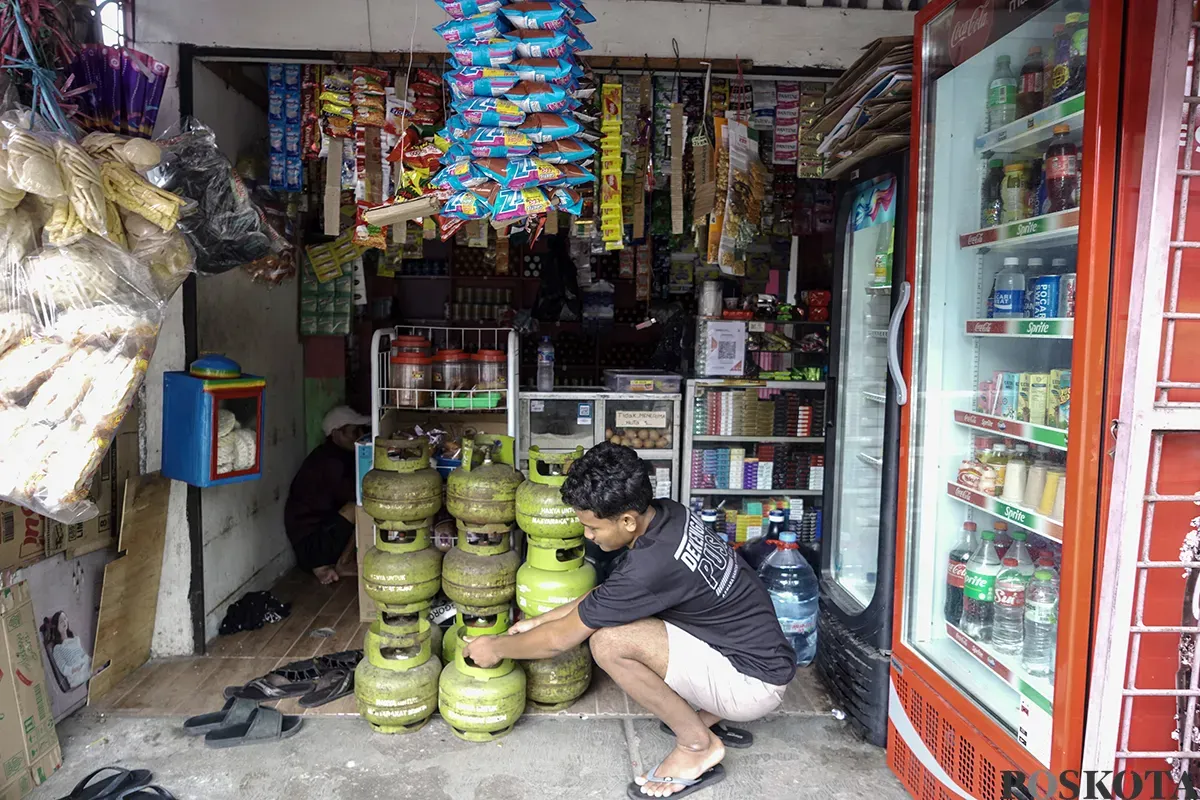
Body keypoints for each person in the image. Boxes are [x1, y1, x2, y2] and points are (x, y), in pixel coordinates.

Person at [462, 443, 796, 799]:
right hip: (757, 656)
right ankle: (703, 716)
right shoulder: (671, 515)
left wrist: (495, 648)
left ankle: (698, 745)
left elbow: (559, 641)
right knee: (625, 618)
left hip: (752, 684)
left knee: (609, 643)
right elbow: (612, 596)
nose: (588, 535)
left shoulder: (650, 568)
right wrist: (540, 619)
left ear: (627, 520)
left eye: (592, 527)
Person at [284, 406, 369, 585]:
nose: (359, 436)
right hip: (311, 548)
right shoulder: (330, 462)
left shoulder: (337, 455)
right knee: (358, 506)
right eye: (354, 432)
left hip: (319, 535)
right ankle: (341, 563)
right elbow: (357, 496)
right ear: (337, 434)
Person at [42, 611, 92, 691]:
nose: (64, 622)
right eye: (61, 621)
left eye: (65, 619)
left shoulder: (75, 639)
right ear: (56, 626)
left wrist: (92, 661)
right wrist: (77, 668)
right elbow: (64, 669)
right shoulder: (57, 648)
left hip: (87, 667)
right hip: (77, 676)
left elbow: (83, 654)